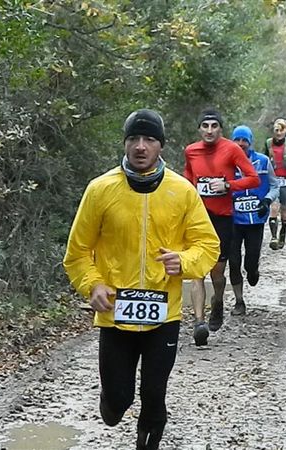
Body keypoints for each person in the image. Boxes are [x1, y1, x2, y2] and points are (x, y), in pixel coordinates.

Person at [63, 109, 220, 450]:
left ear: (161, 146)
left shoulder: (182, 191)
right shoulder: (100, 190)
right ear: (125, 143)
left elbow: (208, 246)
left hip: (164, 314)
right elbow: (77, 252)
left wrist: (184, 261)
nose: (140, 146)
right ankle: (114, 401)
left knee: (154, 396)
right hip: (115, 315)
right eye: (134, 138)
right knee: (116, 405)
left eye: (149, 139)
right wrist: (93, 285)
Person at [184, 108, 260, 345]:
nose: (209, 131)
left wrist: (228, 186)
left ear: (220, 129)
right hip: (197, 218)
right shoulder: (191, 151)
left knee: (217, 272)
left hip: (222, 218)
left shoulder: (232, 149)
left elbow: (253, 178)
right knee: (196, 270)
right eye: (205, 126)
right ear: (199, 129)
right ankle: (199, 322)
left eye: (214, 126)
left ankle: (217, 301)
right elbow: (188, 178)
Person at [229, 125, 279, 315]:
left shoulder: (263, 161)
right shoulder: (225, 163)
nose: (241, 144)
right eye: (237, 140)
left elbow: (275, 186)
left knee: (250, 262)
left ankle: (253, 271)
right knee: (233, 262)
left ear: (250, 142)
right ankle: (239, 301)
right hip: (233, 220)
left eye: (244, 140)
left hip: (255, 221)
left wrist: (267, 200)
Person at [264, 118, 286, 250]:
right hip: (273, 181)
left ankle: (282, 231)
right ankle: (273, 237)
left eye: (281, 130)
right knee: (274, 207)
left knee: (284, 209)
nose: (278, 133)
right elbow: (263, 158)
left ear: (285, 131)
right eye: (276, 130)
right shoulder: (268, 144)